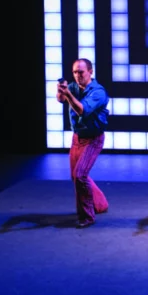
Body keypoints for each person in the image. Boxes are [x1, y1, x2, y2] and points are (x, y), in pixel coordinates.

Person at [56, 58, 109, 228]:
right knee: (76, 176)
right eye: (74, 72)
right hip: (77, 137)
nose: (77, 75)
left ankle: (87, 216)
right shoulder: (73, 87)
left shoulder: (98, 92)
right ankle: (100, 204)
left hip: (93, 139)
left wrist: (68, 94)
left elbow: (82, 110)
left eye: (81, 72)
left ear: (90, 72)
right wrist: (60, 91)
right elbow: (60, 99)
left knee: (80, 175)